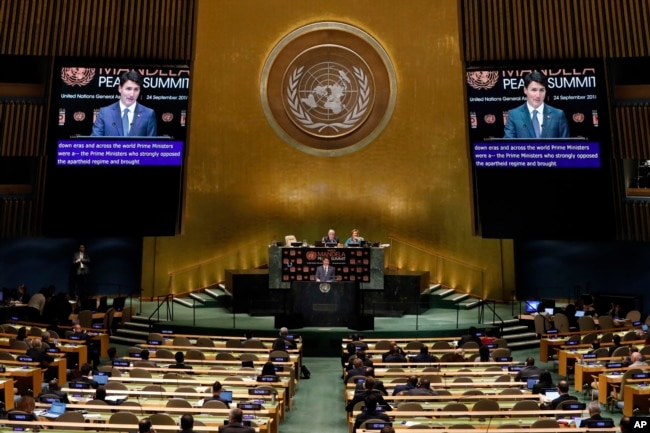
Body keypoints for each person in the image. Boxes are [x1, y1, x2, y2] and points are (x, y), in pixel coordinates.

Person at [503, 70, 569, 139]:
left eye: (541, 90)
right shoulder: (514, 115)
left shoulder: (558, 115)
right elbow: (508, 146)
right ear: (525, 90)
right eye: (534, 90)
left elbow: (566, 146)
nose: (538, 95)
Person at [91, 70, 157, 137]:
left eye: (136, 89)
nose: (132, 94)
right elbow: (94, 143)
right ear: (120, 88)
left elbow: (152, 145)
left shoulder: (148, 114)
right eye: (128, 89)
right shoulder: (104, 113)